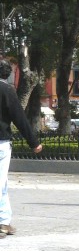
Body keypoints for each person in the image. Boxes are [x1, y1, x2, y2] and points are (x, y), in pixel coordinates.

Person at [0, 59, 43, 237]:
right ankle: (2, 223)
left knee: (3, 183)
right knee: (1, 182)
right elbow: (20, 119)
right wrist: (34, 142)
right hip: (1, 143)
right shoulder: (6, 90)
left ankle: (4, 220)